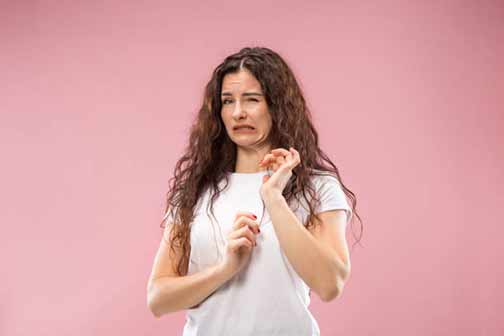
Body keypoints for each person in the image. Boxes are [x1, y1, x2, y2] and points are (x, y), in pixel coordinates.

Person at [147, 46, 362, 335]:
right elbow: (158, 298)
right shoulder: (196, 191)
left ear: (277, 105)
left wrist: (274, 198)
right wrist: (225, 269)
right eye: (227, 101)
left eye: (252, 99)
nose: (238, 113)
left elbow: (329, 284)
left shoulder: (317, 188)